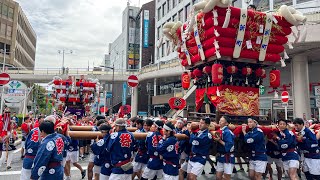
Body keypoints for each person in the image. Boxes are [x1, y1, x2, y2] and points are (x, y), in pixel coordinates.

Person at [20, 116, 45, 180]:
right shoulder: (50, 135)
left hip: (29, 158)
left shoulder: (33, 130)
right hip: (40, 161)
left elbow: (26, 145)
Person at [214, 116, 235, 180]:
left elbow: (229, 145)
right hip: (220, 156)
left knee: (226, 177)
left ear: (226, 123)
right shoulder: (220, 130)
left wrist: (219, 140)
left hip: (227, 157)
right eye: (220, 120)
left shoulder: (227, 132)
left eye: (222, 121)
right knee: (218, 177)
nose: (220, 122)